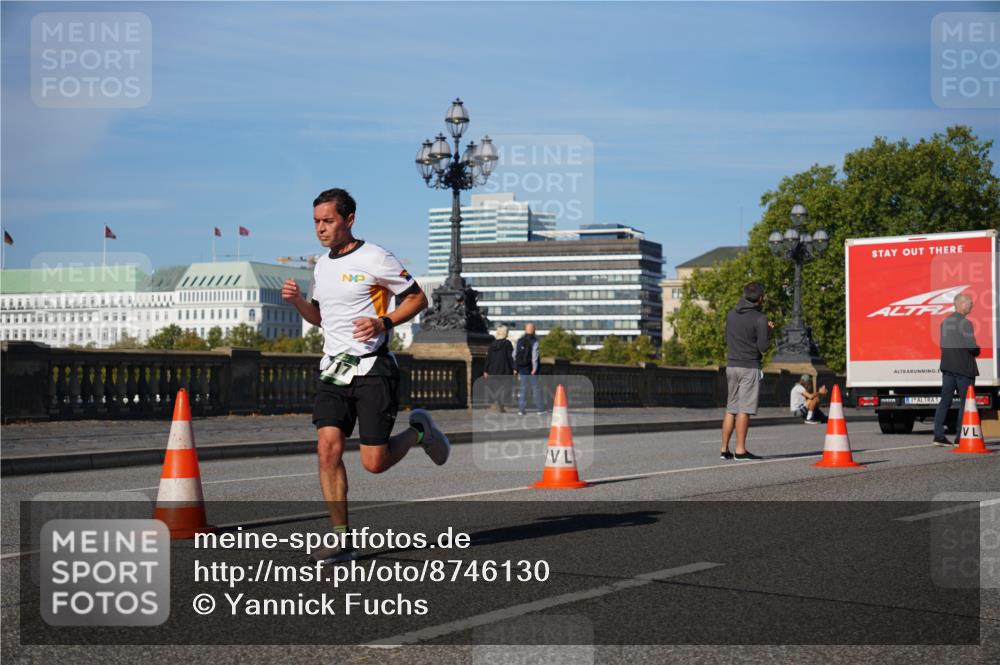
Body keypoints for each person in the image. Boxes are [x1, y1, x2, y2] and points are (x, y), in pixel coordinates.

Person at [282, 188, 451, 564]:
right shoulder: (321, 265)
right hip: (334, 371)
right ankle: (341, 539)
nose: (321, 229)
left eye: (328, 221)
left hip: (374, 368)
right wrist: (297, 303)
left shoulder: (376, 257)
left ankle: (420, 432)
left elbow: (417, 298)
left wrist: (383, 320)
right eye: (316, 222)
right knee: (327, 449)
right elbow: (320, 318)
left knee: (373, 463)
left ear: (349, 219)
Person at [720, 282, 773, 460]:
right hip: (749, 366)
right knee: (745, 409)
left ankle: (724, 449)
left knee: (731, 408)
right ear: (760, 299)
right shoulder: (760, 318)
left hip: (731, 365)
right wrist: (768, 331)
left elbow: (727, 338)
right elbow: (763, 347)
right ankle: (740, 450)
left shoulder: (731, 315)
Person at [932, 293, 980, 446]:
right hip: (963, 368)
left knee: (944, 401)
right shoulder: (965, 323)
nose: (972, 306)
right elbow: (972, 347)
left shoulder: (945, 322)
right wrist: (977, 350)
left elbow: (943, 344)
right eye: (970, 303)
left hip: (947, 367)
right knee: (965, 403)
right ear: (961, 304)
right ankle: (961, 436)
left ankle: (938, 435)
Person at [483, 325, 515, 412]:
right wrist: (514, 368)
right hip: (505, 370)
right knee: (507, 388)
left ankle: (498, 404)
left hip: (493, 370)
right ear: (506, 333)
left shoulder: (492, 344)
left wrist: (485, 370)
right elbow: (510, 357)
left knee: (496, 389)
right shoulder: (507, 343)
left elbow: (488, 358)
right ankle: (500, 404)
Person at [514, 323, 543, 416]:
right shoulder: (535, 341)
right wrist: (534, 369)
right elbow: (535, 357)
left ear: (525, 330)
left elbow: (514, 355)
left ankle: (521, 410)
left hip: (522, 368)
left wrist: (516, 367)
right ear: (534, 330)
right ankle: (539, 409)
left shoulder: (519, 340)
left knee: (523, 388)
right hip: (531, 368)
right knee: (535, 388)